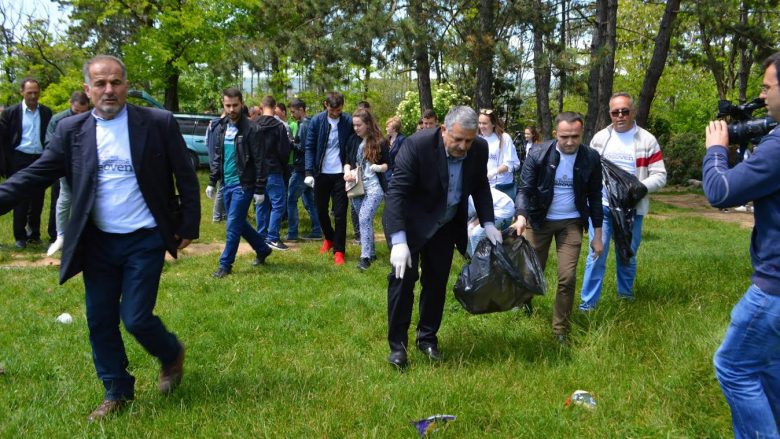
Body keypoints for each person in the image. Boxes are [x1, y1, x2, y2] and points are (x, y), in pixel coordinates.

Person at [0, 55, 200, 420]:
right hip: (98, 242)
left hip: (145, 237)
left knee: (136, 317)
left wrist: (188, 224)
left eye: (116, 82)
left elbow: (185, 174)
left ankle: (170, 353)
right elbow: (35, 174)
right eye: (101, 84)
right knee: (99, 318)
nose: (109, 90)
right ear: (88, 90)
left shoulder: (156, 122)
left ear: (126, 85)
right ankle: (116, 390)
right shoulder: (71, 132)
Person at [384, 106, 501, 369]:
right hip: (411, 223)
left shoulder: (478, 149)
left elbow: (480, 186)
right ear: (444, 129)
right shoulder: (416, 146)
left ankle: (427, 339)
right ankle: (398, 346)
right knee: (402, 284)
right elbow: (397, 194)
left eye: (469, 141)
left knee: (436, 283)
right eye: (457, 139)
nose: (463, 146)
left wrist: (489, 222)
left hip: (445, 225)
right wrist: (399, 241)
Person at [704, 51, 780, 439]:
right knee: (769, 367)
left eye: (768, 87)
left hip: (774, 287)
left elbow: (721, 191)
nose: (763, 97)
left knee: (733, 366)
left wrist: (717, 148)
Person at [511, 112, 603, 344]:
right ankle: (524, 301)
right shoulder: (538, 153)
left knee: (567, 277)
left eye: (575, 136)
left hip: (571, 222)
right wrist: (521, 216)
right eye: (564, 137)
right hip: (539, 220)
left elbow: (595, 197)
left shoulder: (591, 158)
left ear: (582, 134)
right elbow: (525, 189)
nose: (570, 142)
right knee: (532, 271)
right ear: (555, 134)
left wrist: (597, 234)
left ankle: (560, 329)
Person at [578, 93, 667, 311]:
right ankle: (588, 305)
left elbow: (660, 175)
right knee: (596, 254)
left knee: (627, 254)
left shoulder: (647, 140)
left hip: (632, 210)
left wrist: (639, 189)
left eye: (624, 111)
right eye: (615, 112)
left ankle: (625, 299)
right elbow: (588, 172)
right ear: (609, 113)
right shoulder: (599, 139)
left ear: (632, 112)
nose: (620, 116)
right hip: (603, 208)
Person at [206, 88, 272, 278]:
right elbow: (218, 156)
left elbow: (260, 161)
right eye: (228, 105)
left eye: (235, 105)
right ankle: (262, 249)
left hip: (244, 186)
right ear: (223, 104)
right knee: (239, 223)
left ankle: (225, 265)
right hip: (226, 184)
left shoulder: (253, 129)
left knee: (232, 226)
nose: (232, 109)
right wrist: (212, 181)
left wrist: (260, 189)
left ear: (242, 104)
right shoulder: (221, 127)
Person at [0, 77, 53, 248]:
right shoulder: (11, 113)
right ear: (22, 92)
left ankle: (34, 235)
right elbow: (4, 139)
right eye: (29, 92)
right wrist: (8, 161)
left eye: (36, 92)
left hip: (39, 158)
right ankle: (20, 237)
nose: (33, 96)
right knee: (19, 198)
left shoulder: (46, 112)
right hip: (19, 158)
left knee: (37, 198)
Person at [303, 91, 353, 266]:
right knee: (320, 210)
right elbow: (309, 147)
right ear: (326, 105)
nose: (335, 114)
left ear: (342, 107)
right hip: (321, 173)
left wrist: (351, 166)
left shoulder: (347, 121)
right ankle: (329, 238)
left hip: (341, 174)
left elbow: (353, 144)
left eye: (338, 110)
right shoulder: (316, 121)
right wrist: (309, 172)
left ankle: (339, 250)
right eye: (332, 111)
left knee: (340, 214)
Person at [44, 91, 90, 256]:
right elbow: (50, 144)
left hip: (87, 166)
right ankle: (61, 236)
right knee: (64, 200)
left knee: (86, 200)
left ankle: (84, 236)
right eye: (76, 111)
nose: (79, 115)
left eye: (82, 112)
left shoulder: (93, 117)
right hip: (65, 166)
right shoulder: (58, 120)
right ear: (70, 103)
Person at [344, 108, 390, 271]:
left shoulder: (380, 142)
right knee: (365, 220)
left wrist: (377, 167)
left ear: (368, 124)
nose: (356, 129)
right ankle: (372, 252)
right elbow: (348, 161)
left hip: (374, 187)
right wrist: (347, 172)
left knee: (363, 218)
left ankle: (365, 258)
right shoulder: (353, 140)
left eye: (359, 125)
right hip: (356, 186)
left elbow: (388, 165)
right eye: (354, 125)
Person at [255, 96, 291, 251]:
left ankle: (261, 236)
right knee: (278, 205)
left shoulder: (253, 124)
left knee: (261, 205)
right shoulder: (280, 126)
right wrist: (283, 167)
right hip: (274, 170)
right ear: (275, 107)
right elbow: (284, 151)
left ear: (261, 107)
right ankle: (273, 237)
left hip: (257, 172)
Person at [286, 99, 322, 241]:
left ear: (301, 109)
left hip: (301, 169)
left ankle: (292, 233)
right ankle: (317, 230)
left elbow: (305, 148)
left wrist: (291, 143)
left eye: (293, 112)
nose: (292, 115)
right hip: (307, 169)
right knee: (310, 201)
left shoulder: (305, 125)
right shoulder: (308, 123)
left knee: (291, 199)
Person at [478, 108, 520, 200]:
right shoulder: (478, 138)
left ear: (493, 124)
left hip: (501, 187)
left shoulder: (504, 138)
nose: (481, 126)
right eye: (479, 123)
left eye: (484, 123)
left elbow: (508, 165)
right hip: (483, 185)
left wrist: (491, 173)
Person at [467, 187, 515, 257]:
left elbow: (485, 214)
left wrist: (471, 226)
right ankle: (472, 258)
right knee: (468, 230)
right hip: (493, 208)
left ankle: (479, 263)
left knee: (475, 235)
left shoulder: (471, 199)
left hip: (503, 211)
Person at [385, 115, 406, 182]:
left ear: (394, 129)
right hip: (387, 173)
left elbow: (404, 158)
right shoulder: (386, 140)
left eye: (388, 127)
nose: (386, 129)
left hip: (397, 174)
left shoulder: (402, 140)